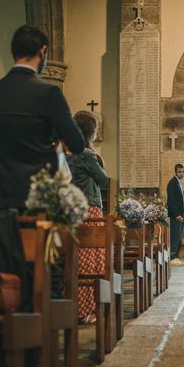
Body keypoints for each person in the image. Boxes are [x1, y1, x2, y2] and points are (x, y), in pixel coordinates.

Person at [0, 25, 85, 210]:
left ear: (13, 52)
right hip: (37, 197)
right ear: (43, 51)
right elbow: (77, 144)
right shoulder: (48, 93)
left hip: (0, 195)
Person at [67, 111, 109, 323]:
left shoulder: (67, 154)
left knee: (77, 258)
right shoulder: (87, 154)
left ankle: (78, 307)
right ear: (90, 132)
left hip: (72, 210)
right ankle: (86, 310)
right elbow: (103, 180)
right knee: (91, 261)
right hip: (90, 209)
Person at [166, 163, 184, 265]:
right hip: (176, 215)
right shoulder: (172, 183)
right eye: (179, 172)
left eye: (183, 172)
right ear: (175, 172)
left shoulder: (179, 182)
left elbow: (182, 199)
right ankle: (172, 256)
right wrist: (177, 214)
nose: (181, 173)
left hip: (181, 213)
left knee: (178, 236)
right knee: (174, 235)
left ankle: (175, 255)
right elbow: (172, 201)